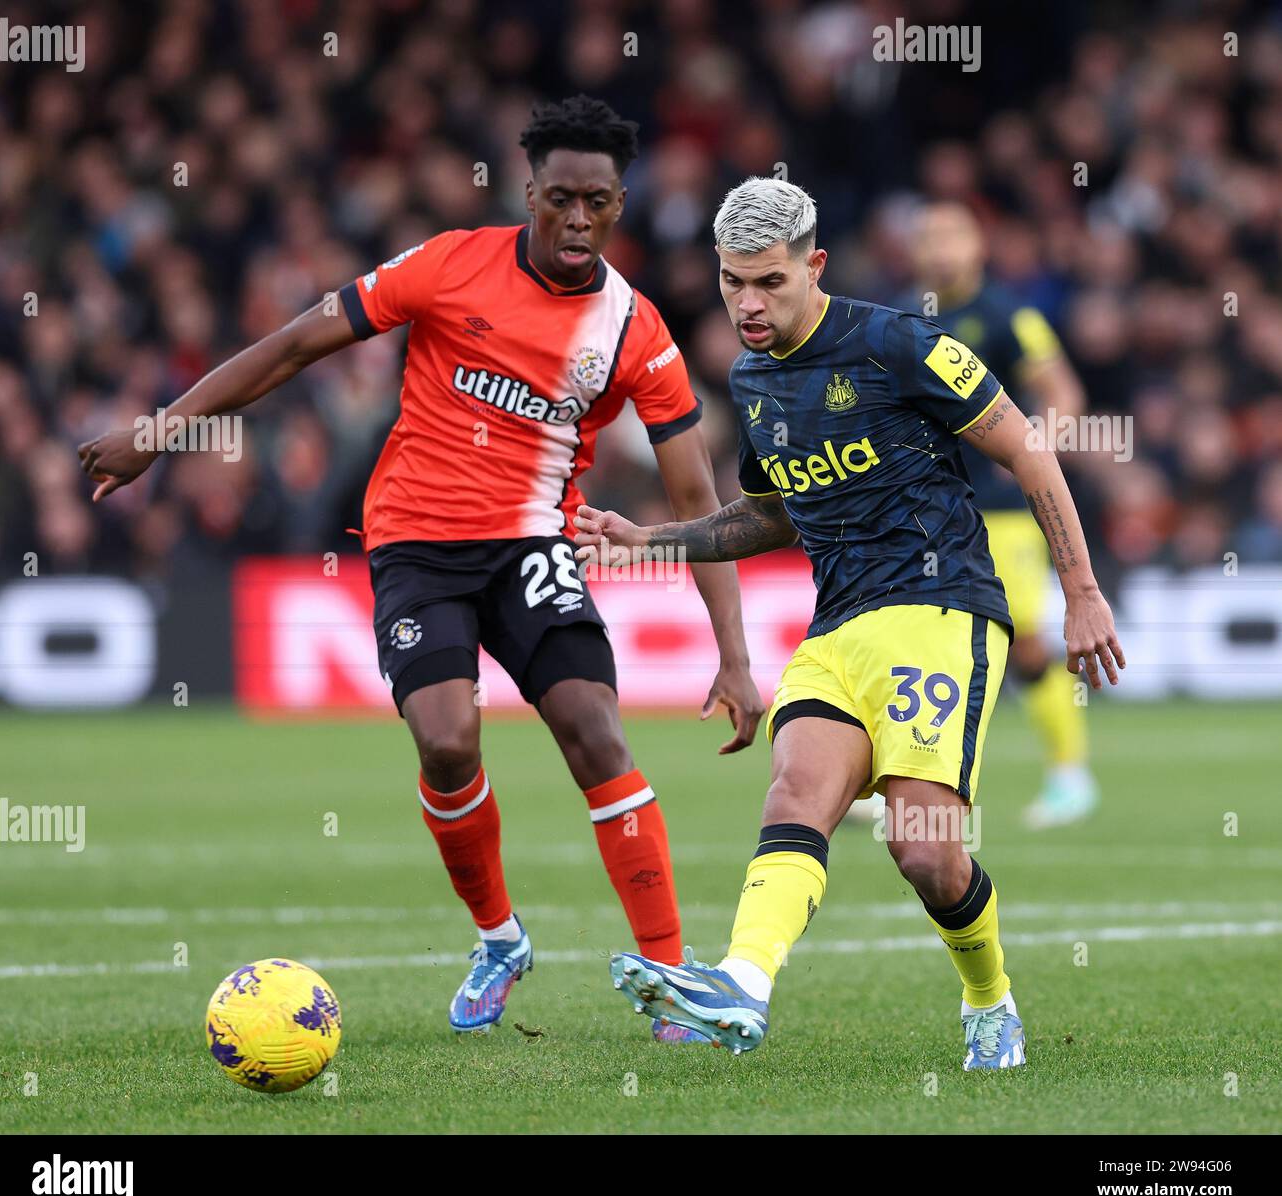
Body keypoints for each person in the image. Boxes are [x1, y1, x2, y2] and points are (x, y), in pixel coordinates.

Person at [77, 97, 764, 1042]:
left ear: (618, 206)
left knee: (594, 732)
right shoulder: (447, 265)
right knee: (446, 742)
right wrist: (157, 436)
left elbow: (697, 502)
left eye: (596, 203)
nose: (575, 219)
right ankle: (499, 938)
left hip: (532, 546)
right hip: (415, 544)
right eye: (559, 197)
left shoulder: (635, 331)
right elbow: (294, 346)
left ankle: (671, 977)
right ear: (529, 191)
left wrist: (732, 653)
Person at [577, 177, 1124, 1066]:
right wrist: (651, 538)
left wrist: (1082, 591)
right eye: (731, 283)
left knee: (926, 853)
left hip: (941, 611)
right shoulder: (752, 378)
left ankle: (989, 1001)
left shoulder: (898, 341)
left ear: (813, 265)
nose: (748, 305)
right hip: (838, 628)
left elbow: (1025, 445)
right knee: (796, 794)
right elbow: (769, 515)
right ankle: (743, 985)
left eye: (768, 282)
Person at [910, 200, 1096, 828]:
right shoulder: (905, 319)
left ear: (978, 247)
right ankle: (894, 784)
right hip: (930, 508)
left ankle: (1071, 774)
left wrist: (1032, 451)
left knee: (1028, 640)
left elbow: (1063, 391)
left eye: (952, 235)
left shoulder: (1009, 315)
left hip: (1003, 511)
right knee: (916, 639)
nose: (940, 249)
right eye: (929, 237)